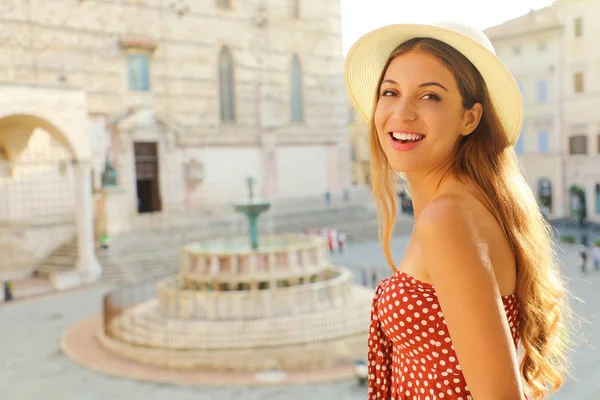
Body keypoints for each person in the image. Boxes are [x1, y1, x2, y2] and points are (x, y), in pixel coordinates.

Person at [345, 21, 571, 399]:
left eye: (429, 96)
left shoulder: (447, 218)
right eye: (390, 92)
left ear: (470, 117)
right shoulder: (465, 204)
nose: (402, 113)